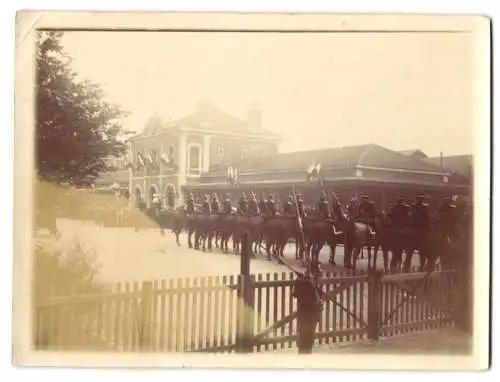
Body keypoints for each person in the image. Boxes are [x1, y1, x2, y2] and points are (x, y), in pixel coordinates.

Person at [291, 265, 323, 354]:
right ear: (313, 274)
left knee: (308, 340)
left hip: (311, 317)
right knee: (304, 340)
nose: (320, 275)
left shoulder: (313, 283)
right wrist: (300, 281)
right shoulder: (305, 283)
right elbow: (294, 293)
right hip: (307, 315)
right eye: (318, 273)